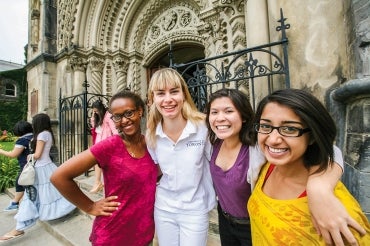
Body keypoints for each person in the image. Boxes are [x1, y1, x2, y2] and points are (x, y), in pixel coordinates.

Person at [206, 88, 365, 245]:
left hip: (247, 225)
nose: (274, 139)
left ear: (244, 116)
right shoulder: (212, 144)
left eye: (290, 128)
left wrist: (320, 188)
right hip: (227, 219)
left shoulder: (258, 149)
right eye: (214, 112)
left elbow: (331, 151)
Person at [51, 90, 157, 246]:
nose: (124, 120)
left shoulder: (150, 143)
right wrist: (90, 206)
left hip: (144, 233)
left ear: (140, 111)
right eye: (117, 116)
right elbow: (59, 177)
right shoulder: (110, 146)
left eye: (129, 113)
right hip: (114, 234)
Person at [146, 68, 216, 245]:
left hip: (195, 210)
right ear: (152, 98)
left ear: (184, 95)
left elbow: (218, 163)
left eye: (174, 91)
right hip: (163, 209)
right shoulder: (151, 134)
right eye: (160, 93)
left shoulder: (203, 127)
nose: (168, 99)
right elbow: (154, 171)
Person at [0, 113, 76, 242]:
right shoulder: (48, 133)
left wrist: (30, 156)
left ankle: (19, 228)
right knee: (49, 192)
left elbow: (38, 154)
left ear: (38, 123)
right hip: (47, 166)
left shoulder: (41, 135)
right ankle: (20, 227)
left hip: (41, 168)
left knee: (31, 196)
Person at [0, 120, 33, 211]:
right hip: (33, 164)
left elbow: (13, 154)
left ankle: (16, 203)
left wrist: (1, 151)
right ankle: (15, 202)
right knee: (21, 183)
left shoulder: (22, 140)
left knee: (21, 183)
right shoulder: (33, 137)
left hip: (26, 167)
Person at [89, 99, 118, 193]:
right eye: (94, 111)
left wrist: (116, 141)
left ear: (100, 109)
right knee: (97, 162)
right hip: (98, 143)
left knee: (100, 163)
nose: (95, 112)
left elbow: (114, 130)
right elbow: (93, 127)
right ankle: (98, 183)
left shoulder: (108, 117)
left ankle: (98, 183)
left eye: (96, 111)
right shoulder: (97, 118)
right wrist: (93, 115)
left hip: (106, 143)